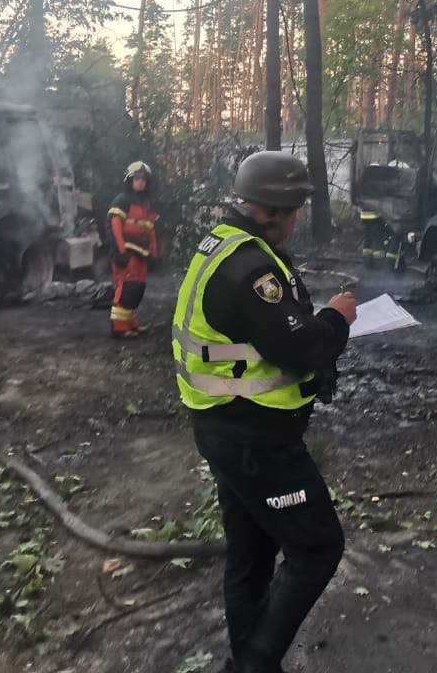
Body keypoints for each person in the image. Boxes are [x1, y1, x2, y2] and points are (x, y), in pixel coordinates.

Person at [171, 151, 358, 673]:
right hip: (256, 441)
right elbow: (299, 349)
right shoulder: (252, 268)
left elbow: (266, 331)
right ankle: (253, 664)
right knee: (318, 548)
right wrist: (336, 319)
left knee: (250, 552)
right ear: (273, 209)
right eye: (294, 208)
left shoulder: (225, 243)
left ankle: (248, 660)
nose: (297, 218)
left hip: (225, 426)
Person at [107, 160, 159, 338]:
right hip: (127, 253)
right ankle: (119, 327)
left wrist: (154, 251)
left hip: (141, 254)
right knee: (127, 288)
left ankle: (130, 323)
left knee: (137, 289)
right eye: (137, 178)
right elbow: (115, 227)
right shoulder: (122, 201)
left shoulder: (144, 204)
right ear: (130, 180)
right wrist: (121, 251)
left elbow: (150, 228)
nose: (140, 182)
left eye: (143, 179)